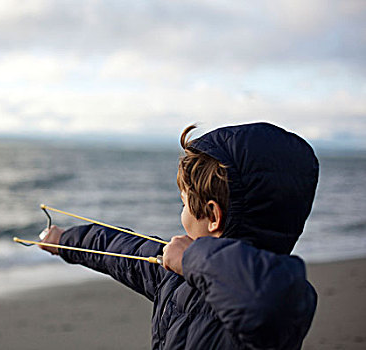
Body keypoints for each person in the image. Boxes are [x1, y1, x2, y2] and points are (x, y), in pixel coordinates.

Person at [40, 122, 319, 349]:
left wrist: (191, 258)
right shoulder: (178, 277)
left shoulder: (281, 295)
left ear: (212, 216)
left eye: (184, 204)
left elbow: (266, 299)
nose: (182, 212)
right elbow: (125, 252)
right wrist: (65, 240)